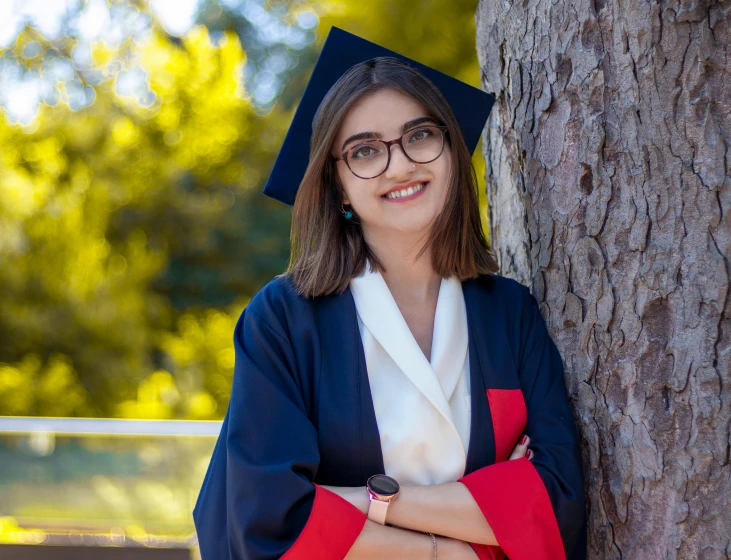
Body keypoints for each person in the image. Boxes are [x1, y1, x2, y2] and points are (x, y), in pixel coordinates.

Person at [193, 27, 586, 560]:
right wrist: (457, 549)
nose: (400, 165)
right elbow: (265, 517)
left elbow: (556, 502)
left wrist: (365, 502)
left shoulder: (508, 314)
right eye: (365, 151)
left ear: (450, 149)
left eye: (419, 135)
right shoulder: (286, 319)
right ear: (338, 187)